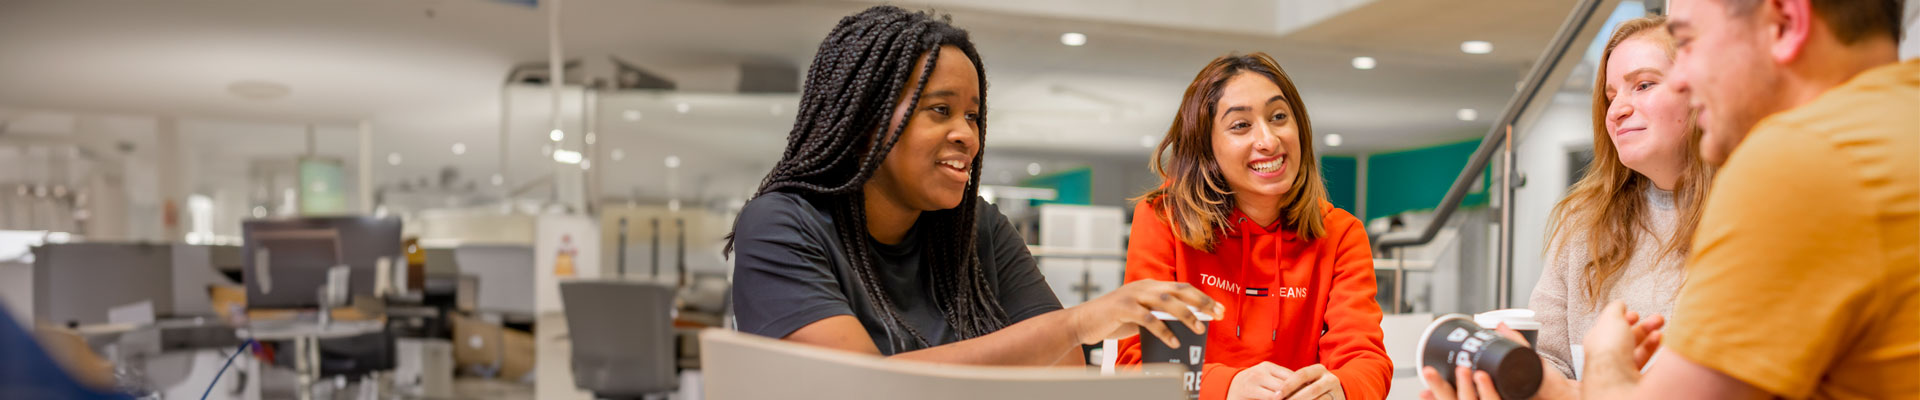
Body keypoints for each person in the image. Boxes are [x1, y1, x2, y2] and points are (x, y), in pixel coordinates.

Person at [727, 5, 1222, 366]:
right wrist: (1074, 323)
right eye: (940, 110)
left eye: (973, 116)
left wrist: (1065, 336)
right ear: (865, 124)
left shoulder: (978, 229)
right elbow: (863, 388)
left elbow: (1062, 371)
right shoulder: (782, 224)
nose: (967, 135)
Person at [1586, 0, 1912, 398]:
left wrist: (1604, 364)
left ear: (1785, 23)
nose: (1682, 78)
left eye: (1687, 42)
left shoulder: (1796, 160)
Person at [1420, 16, 1717, 400]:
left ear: (1702, 93)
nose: (1618, 111)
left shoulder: (1754, 215)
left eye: (1643, 85)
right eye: (1611, 97)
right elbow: (1547, 362)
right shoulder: (1585, 222)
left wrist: (1575, 392)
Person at [1116, 52, 1392, 400]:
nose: (1269, 140)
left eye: (1279, 117)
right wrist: (1229, 386)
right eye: (1240, 125)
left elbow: (1365, 359)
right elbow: (1138, 365)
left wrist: (1341, 389)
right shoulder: (1163, 219)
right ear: (1206, 145)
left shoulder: (1340, 232)